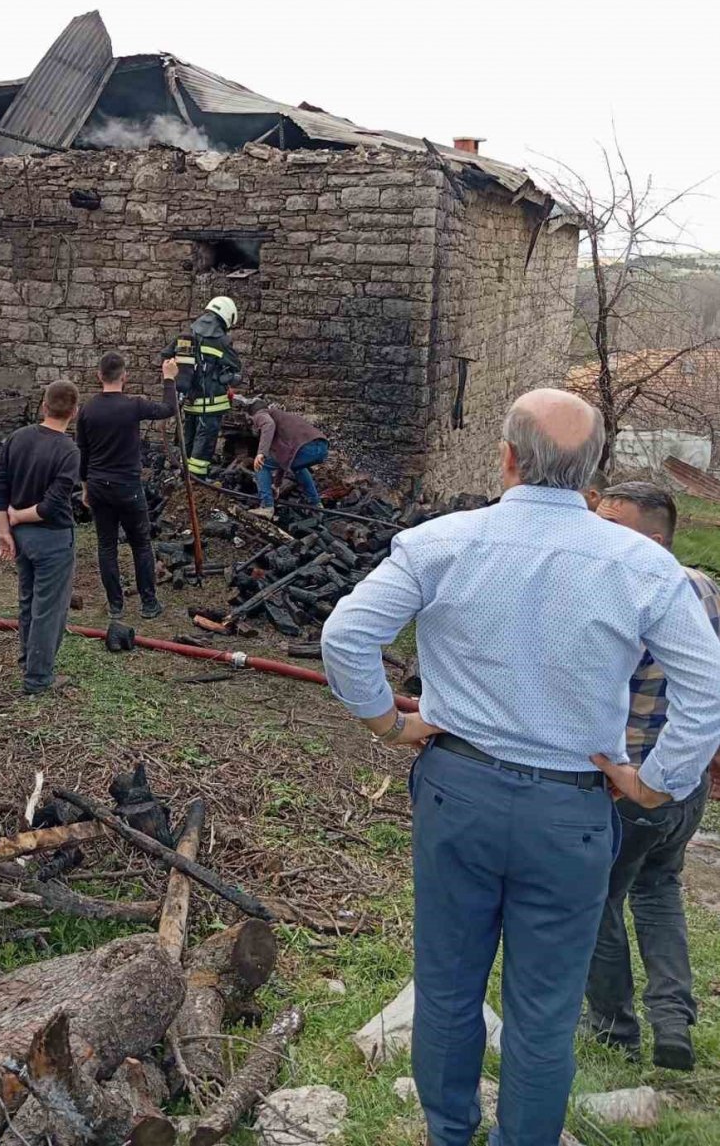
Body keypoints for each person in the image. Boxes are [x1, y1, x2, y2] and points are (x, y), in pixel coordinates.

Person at [321, 389, 720, 1146]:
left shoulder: (441, 542)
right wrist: (658, 780)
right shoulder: (644, 565)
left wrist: (388, 722)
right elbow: (707, 687)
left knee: (447, 987)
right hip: (572, 809)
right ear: (593, 469)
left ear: (507, 457)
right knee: (543, 1010)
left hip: (458, 789)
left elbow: (345, 636)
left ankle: (449, 1133)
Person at [585, 481, 720, 1071]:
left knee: (599, 900)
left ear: (657, 540)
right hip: (688, 782)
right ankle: (673, 1022)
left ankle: (613, 1030)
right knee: (659, 888)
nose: (596, 537)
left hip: (633, 783)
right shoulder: (704, 586)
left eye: (613, 527)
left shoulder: (629, 600)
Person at [0, 380, 80, 695]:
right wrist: (17, 517)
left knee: (28, 599)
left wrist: (4, 529)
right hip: (52, 539)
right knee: (49, 609)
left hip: (21, 538)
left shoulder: (18, 437)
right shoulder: (68, 451)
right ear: (75, 412)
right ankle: (38, 678)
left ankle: (28, 658)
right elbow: (51, 506)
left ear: (44, 406)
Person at [77, 352, 178, 620]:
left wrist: (85, 487)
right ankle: (148, 604)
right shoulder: (134, 406)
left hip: (98, 485)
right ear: (125, 376)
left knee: (106, 545)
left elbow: (82, 453)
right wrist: (169, 379)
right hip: (128, 487)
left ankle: (116, 606)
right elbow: (169, 409)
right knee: (141, 544)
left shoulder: (87, 409)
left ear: (99, 376)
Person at [162, 296, 241, 478]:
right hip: (212, 404)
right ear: (227, 316)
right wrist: (228, 377)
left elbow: (166, 354)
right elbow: (236, 368)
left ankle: (184, 477)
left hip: (189, 401)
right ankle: (198, 481)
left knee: (188, 439)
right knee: (204, 444)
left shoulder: (187, 335)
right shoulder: (221, 341)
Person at [236, 396, 329, 519]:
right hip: (321, 447)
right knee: (298, 468)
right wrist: (277, 485)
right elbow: (283, 460)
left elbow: (268, 425)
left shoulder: (260, 414)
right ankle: (316, 505)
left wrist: (261, 453)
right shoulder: (281, 417)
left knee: (261, 465)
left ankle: (266, 506)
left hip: (306, 448)